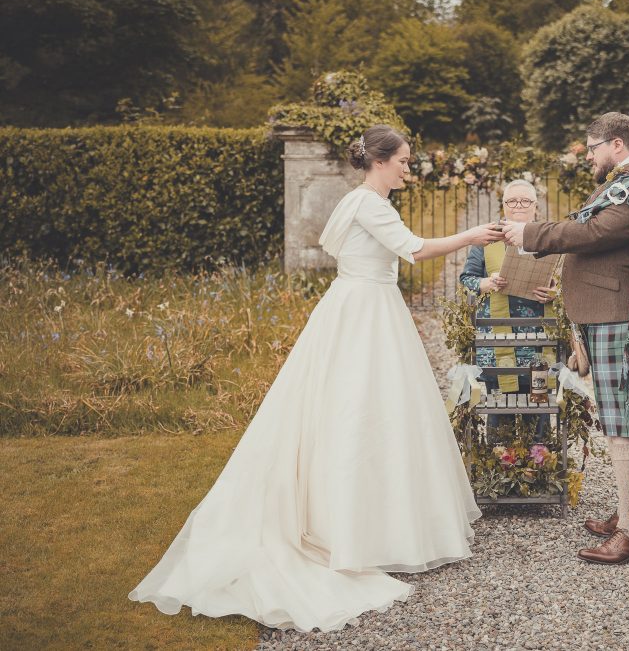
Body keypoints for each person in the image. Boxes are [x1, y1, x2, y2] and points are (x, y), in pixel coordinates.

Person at [129, 125, 505, 630]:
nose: (408, 168)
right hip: (366, 311)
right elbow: (413, 250)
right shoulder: (371, 204)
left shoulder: (357, 201)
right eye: (403, 160)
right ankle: (353, 530)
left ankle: (375, 522)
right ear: (379, 161)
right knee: (361, 410)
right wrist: (474, 235)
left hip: (358, 306)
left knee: (372, 410)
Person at [503, 112, 629, 565]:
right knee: (618, 419)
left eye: (592, 148)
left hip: (615, 317)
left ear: (616, 145)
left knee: (622, 423)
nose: (588, 156)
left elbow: (594, 231)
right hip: (606, 314)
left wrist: (530, 234)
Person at [459, 180, 557, 439]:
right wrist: (486, 282)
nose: (518, 206)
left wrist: (554, 291)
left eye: (525, 201)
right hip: (498, 341)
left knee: (539, 408)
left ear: (536, 207)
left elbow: (567, 283)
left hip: (538, 341)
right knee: (499, 408)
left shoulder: (549, 238)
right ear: (503, 206)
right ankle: (500, 468)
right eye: (512, 201)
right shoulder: (487, 239)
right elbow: (467, 279)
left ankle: (540, 466)